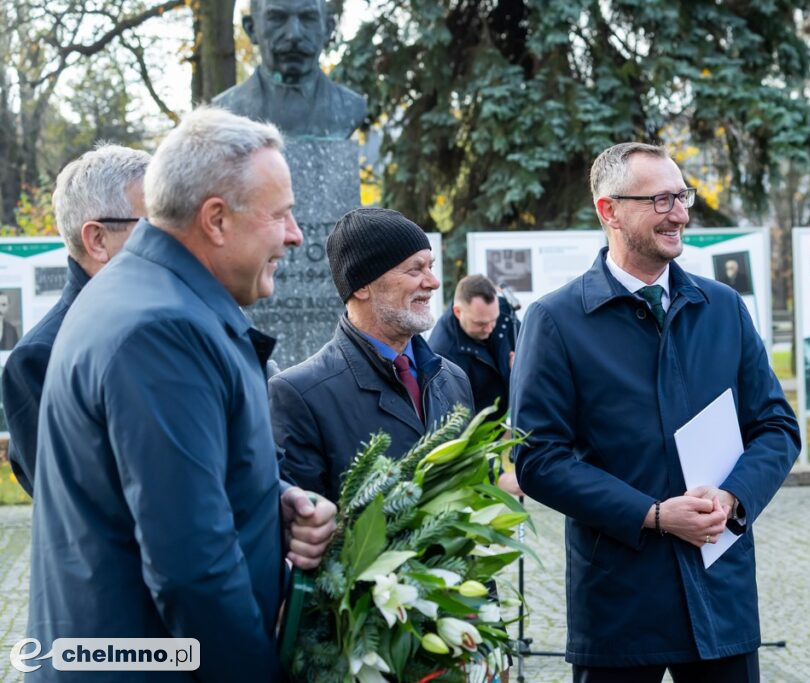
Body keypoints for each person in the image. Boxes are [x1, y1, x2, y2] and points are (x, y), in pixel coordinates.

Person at [28, 108, 336, 682]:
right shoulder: (161, 329)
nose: (294, 235)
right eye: (280, 215)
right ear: (215, 219)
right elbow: (192, 569)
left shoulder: (149, 296)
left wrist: (272, 498)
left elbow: (166, 481)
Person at [510, 142, 799, 682]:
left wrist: (733, 497)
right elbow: (539, 460)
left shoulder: (723, 308)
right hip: (620, 600)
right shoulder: (555, 321)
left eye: (682, 197)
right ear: (610, 211)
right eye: (661, 200)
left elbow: (777, 427)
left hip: (719, 594)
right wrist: (655, 515)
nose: (680, 214)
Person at [269, 207, 473, 499]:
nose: (433, 282)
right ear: (362, 286)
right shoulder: (300, 395)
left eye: (430, 266)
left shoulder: (453, 379)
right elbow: (306, 518)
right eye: (415, 269)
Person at [1, 145, 149, 496]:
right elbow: (81, 502)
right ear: (98, 240)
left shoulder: (179, 320)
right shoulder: (38, 358)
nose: (178, 240)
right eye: (156, 225)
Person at [213, 0, 366, 138]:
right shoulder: (227, 111)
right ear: (252, 28)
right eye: (277, 18)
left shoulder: (350, 107)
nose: (294, 35)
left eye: (308, 18)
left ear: (327, 29)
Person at [429, 274, 517, 414]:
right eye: (480, 323)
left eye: (494, 319)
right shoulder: (442, 354)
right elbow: (453, 416)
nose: (490, 329)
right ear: (458, 312)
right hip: (480, 425)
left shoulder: (504, 311)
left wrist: (520, 371)